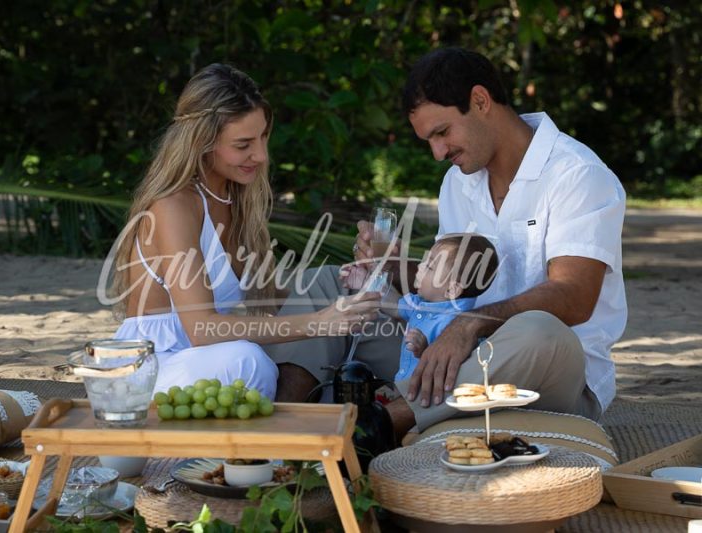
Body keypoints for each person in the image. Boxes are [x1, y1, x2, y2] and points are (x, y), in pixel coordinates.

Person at [270, 47, 626, 438]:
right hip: (449, 356)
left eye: (442, 132)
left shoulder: (576, 174)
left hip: (540, 369)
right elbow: (445, 291)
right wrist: (388, 266)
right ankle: (283, 428)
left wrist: (469, 323)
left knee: (541, 331)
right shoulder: (459, 181)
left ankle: (378, 427)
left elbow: (574, 296)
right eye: (429, 140)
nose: (438, 152)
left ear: (480, 100)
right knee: (329, 283)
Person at [109, 63, 380, 399]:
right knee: (246, 360)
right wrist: (319, 322)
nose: (261, 155)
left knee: (326, 281)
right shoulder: (174, 206)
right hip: (145, 371)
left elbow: (273, 299)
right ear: (202, 142)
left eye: (264, 136)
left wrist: (349, 278)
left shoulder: (234, 200)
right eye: (243, 144)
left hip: (201, 364)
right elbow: (201, 329)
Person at [341, 234, 498, 383]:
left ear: (451, 290)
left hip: (425, 397)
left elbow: (452, 368)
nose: (420, 267)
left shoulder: (456, 326)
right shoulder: (424, 303)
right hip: (403, 387)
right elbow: (394, 305)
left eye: (429, 266)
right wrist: (365, 282)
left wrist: (425, 350)